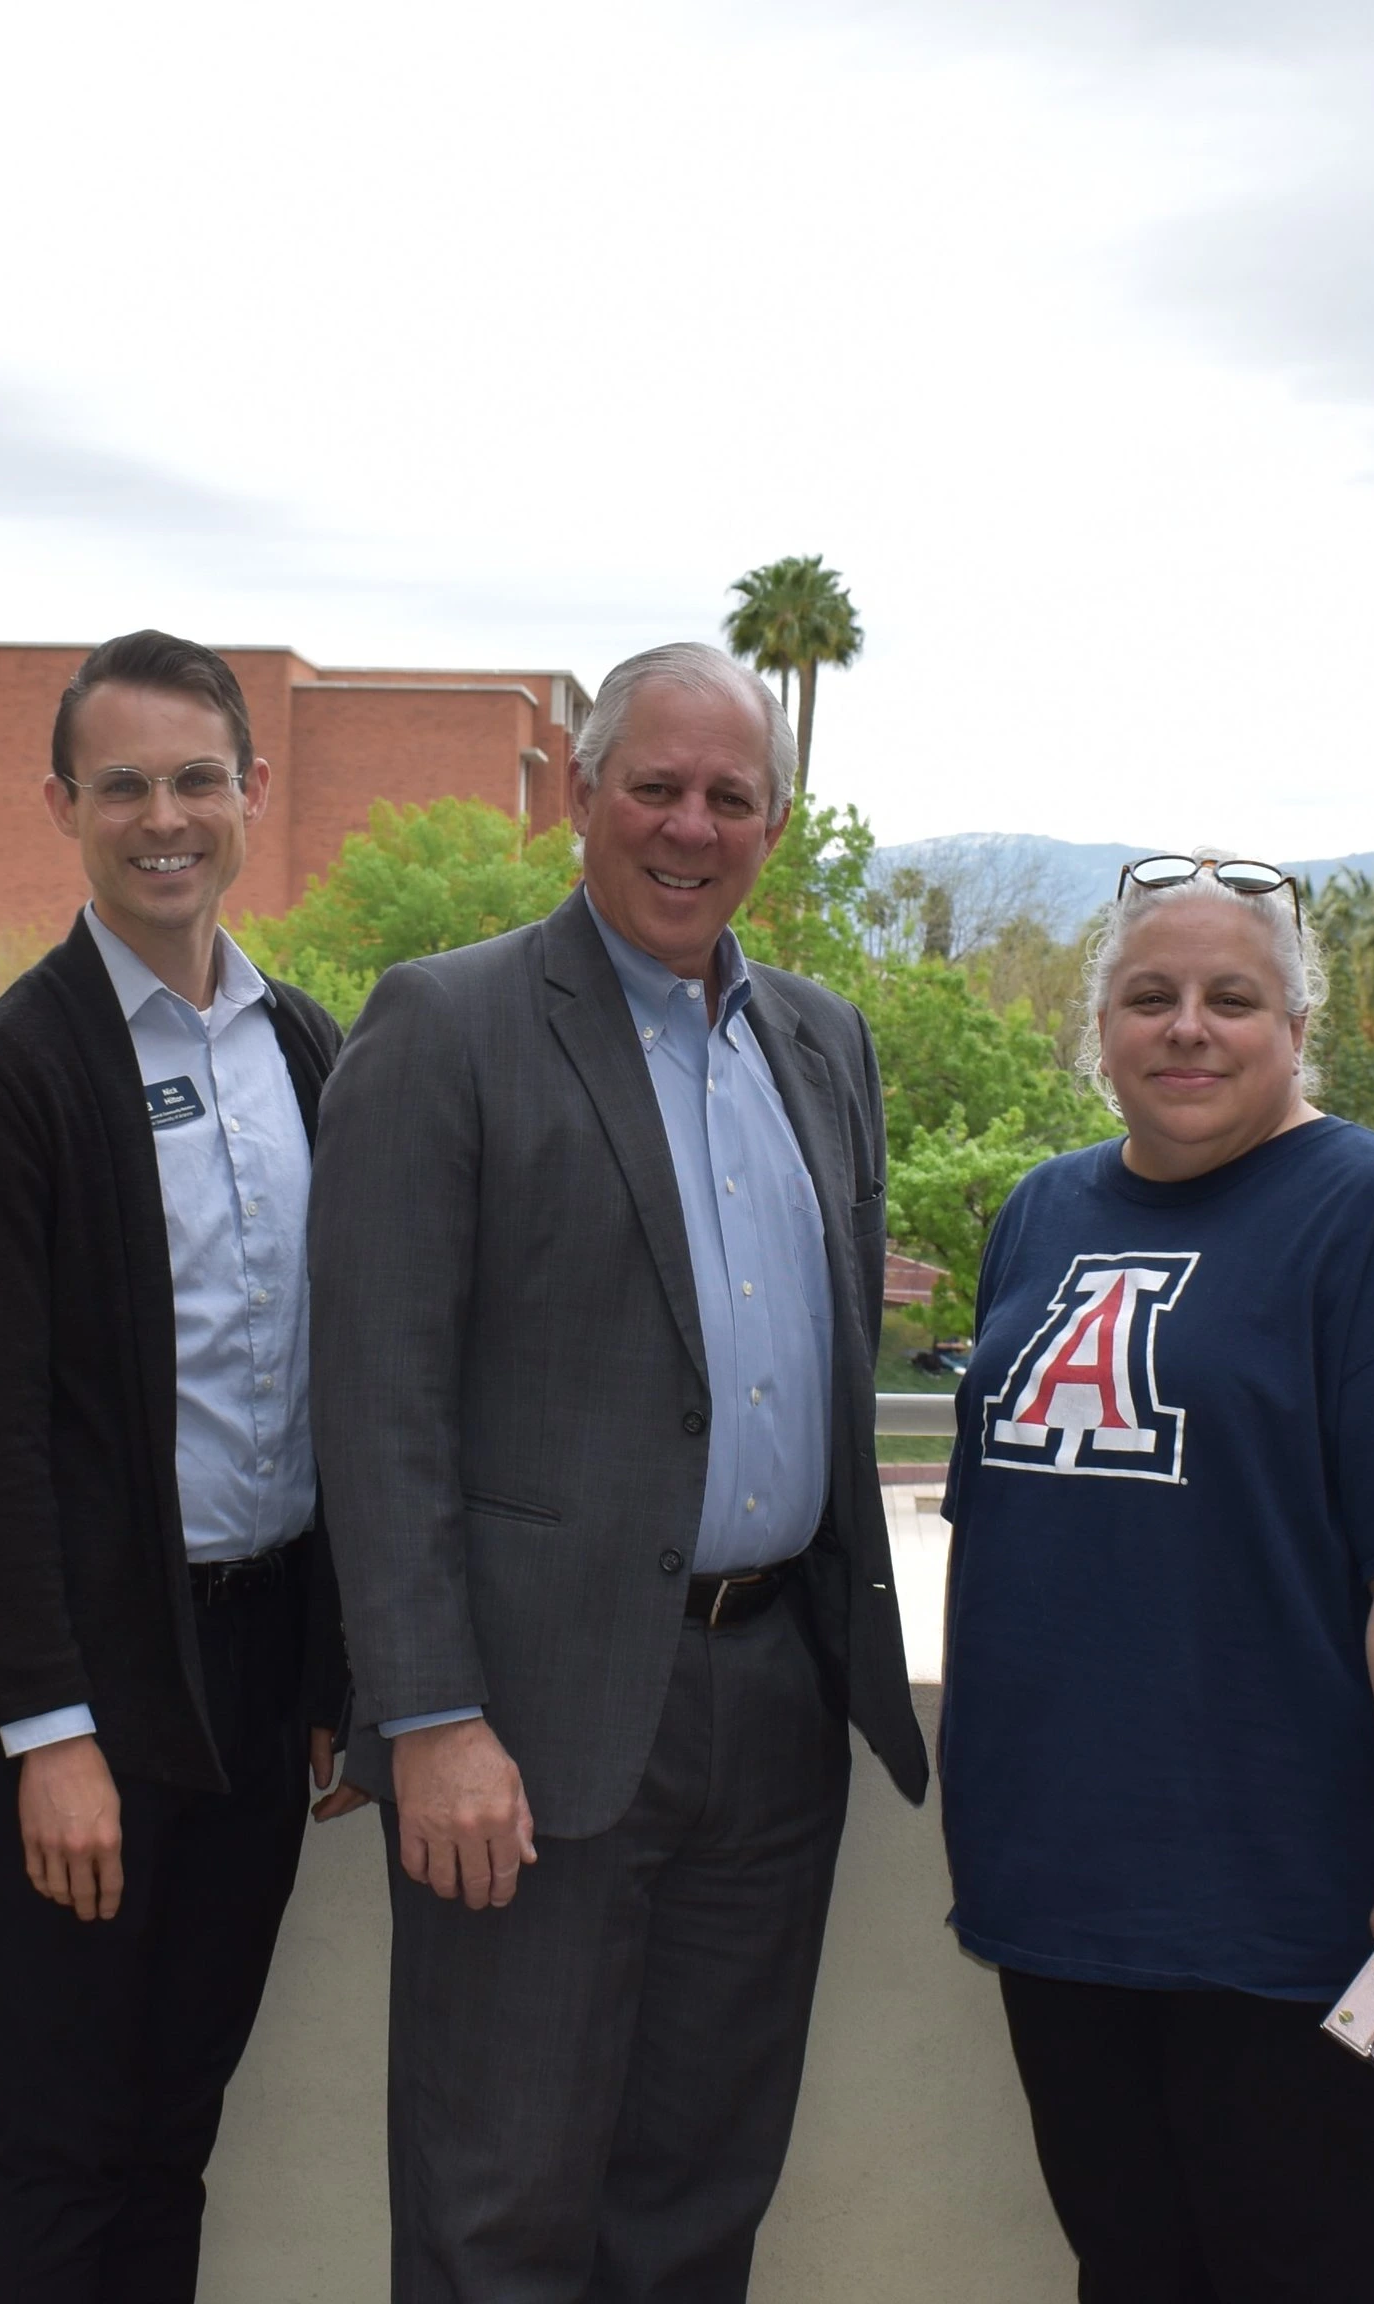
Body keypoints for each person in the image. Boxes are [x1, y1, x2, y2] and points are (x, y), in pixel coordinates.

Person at [311, 640, 929, 2300]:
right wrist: (428, 1717)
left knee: (698, 2203)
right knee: (497, 2209)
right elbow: (376, 1403)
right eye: (653, 785)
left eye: (730, 797)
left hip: (775, 1701)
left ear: (773, 830)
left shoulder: (825, 1042)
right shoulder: (449, 1022)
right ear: (582, 797)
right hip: (530, 1719)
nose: (688, 826)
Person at [938, 852, 1374, 2304]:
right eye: (1148, 996)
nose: (1188, 1027)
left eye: (1234, 998)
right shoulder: (1041, 1214)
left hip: (1315, 1918)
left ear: (1298, 1031)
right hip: (1072, 1898)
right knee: (1133, 2270)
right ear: (1095, 1028)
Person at [0, 632, 363, 2299]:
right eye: (124, 787)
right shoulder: (10, 1074)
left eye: (195, 780)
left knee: (176, 2127)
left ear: (251, 793)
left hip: (255, 1678)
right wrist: (49, 1734)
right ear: (65, 806)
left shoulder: (306, 1046)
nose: (162, 817)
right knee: (63, 2137)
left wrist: (327, 1666)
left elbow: (332, 1383)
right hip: (94, 1687)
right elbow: (0, 1434)